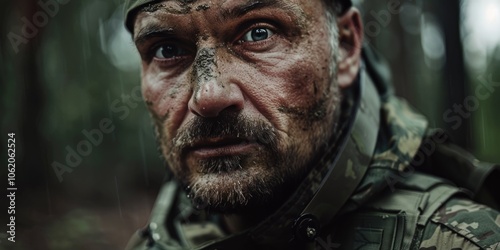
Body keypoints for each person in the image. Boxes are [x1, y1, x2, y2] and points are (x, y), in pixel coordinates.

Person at [123, 0, 500, 249]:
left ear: (347, 47)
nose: (207, 96)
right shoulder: (158, 238)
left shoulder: (461, 240)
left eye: (259, 32)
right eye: (166, 50)